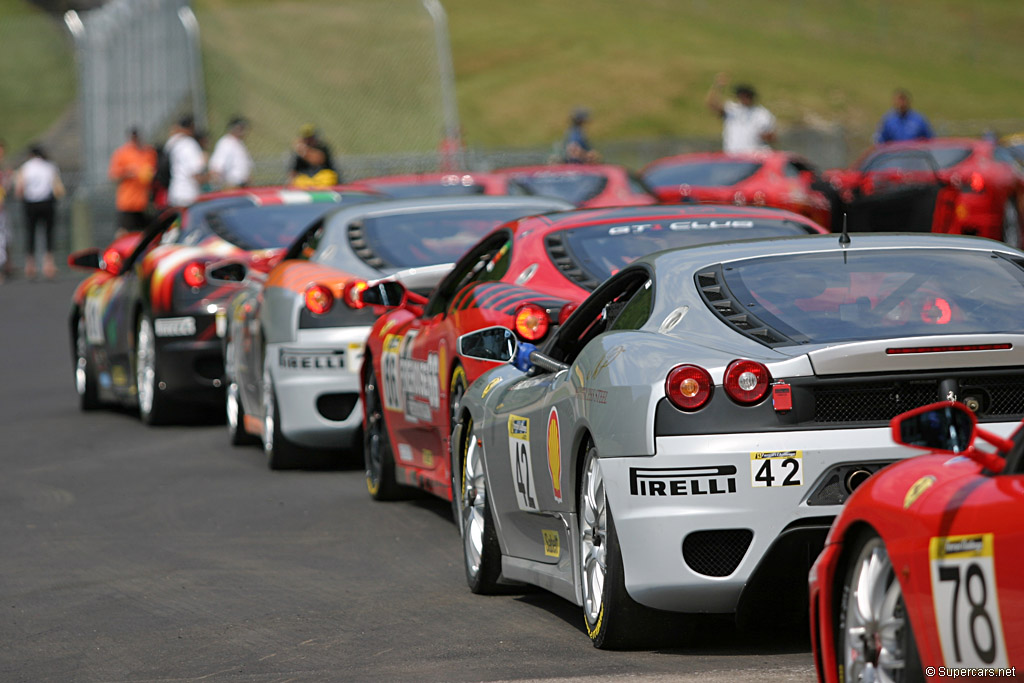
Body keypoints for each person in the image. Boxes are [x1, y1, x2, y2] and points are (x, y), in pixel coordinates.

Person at [14, 144, 65, 280]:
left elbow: (20, 189)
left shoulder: (25, 167)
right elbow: (57, 186)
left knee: (30, 232)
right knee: (49, 233)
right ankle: (49, 264)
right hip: (47, 202)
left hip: (30, 203)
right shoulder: (50, 166)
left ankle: (30, 265)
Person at [706, 73, 777, 154]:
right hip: (733, 156)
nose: (743, 99)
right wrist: (718, 86)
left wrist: (765, 136)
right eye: (741, 96)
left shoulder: (762, 114)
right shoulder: (732, 109)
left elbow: (773, 137)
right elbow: (712, 105)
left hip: (755, 156)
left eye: (746, 96)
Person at [108, 127, 157, 235]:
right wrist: (128, 173)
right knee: (124, 233)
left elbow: (154, 171)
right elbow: (113, 175)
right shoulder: (122, 153)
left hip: (144, 201)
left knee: (145, 233)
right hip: (128, 202)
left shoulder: (149, 152)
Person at [164, 115, 207, 209]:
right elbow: (196, 174)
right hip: (188, 194)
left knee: (179, 222)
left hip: (175, 192)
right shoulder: (189, 144)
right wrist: (211, 178)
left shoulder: (172, 143)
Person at [209, 116, 253, 190]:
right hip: (232, 186)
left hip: (242, 185)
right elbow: (217, 166)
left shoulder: (238, 143)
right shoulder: (226, 143)